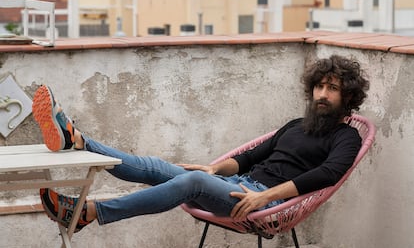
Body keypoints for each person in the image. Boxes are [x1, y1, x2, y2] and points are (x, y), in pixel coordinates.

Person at [32, 54, 369, 232]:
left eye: (333, 88)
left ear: (348, 95)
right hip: (237, 185)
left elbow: (327, 174)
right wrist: (214, 169)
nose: (323, 94)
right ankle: (77, 140)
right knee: (159, 167)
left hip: (264, 205)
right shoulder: (297, 125)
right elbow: (250, 157)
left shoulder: (346, 137)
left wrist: (265, 196)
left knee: (190, 181)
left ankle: (90, 213)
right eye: (319, 87)